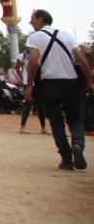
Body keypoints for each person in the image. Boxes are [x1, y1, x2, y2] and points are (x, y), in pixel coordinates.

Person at [25, 9, 93, 170]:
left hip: (49, 85)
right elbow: (81, 58)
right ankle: (77, 143)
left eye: (32, 19)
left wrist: (29, 85)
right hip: (71, 83)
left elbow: (33, 61)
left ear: (41, 19)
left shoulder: (35, 37)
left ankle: (67, 159)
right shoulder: (67, 35)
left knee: (56, 123)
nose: (31, 22)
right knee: (76, 118)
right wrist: (89, 80)